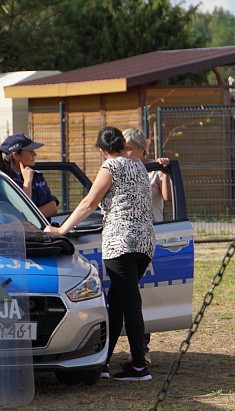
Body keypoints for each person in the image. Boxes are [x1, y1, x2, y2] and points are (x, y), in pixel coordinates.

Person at [48, 126, 154, 381]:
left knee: (129, 304)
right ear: (122, 144)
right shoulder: (139, 166)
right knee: (117, 302)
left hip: (120, 243)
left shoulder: (110, 167)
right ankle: (103, 361)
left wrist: (61, 229)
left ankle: (139, 366)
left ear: (101, 149)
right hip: (145, 242)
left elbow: (89, 203)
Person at [0, 133, 59, 217]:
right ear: (16, 156)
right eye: (30, 151)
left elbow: (53, 208)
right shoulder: (5, 181)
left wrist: (31, 216)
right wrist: (27, 182)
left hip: (40, 225)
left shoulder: (36, 176)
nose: (35, 154)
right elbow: (23, 210)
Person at [122, 127, 171, 223]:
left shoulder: (155, 169)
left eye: (128, 149)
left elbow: (167, 197)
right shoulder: (120, 170)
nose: (124, 153)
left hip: (153, 226)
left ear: (142, 148)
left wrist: (164, 171)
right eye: (122, 149)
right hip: (128, 227)